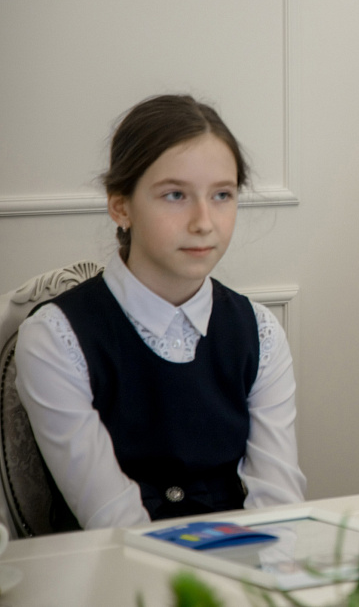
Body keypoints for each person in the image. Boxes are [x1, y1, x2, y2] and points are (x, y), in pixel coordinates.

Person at [17, 94, 306, 529]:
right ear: (121, 205)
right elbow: (112, 519)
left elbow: (280, 505)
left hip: (244, 564)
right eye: (175, 195)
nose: (203, 222)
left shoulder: (259, 332)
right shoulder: (56, 337)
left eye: (222, 195)